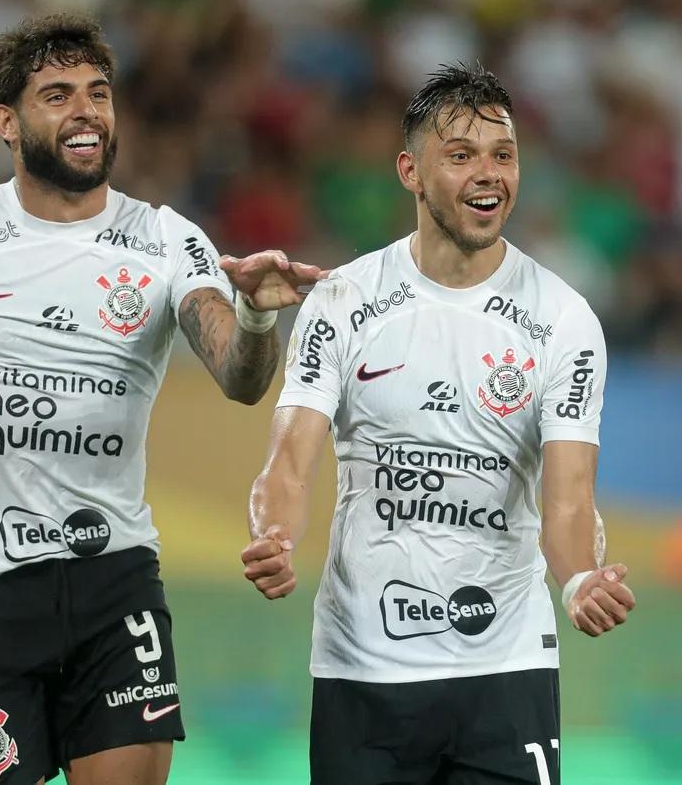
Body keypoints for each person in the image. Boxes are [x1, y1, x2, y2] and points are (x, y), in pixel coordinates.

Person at [0, 14, 327, 785]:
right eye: (58, 94)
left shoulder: (167, 240)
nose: (86, 111)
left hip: (115, 579)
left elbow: (241, 380)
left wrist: (255, 314)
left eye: (99, 93)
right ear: (6, 121)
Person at [241, 64, 637, 785]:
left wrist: (579, 577)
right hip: (363, 666)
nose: (489, 175)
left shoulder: (563, 320)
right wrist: (273, 535)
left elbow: (570, 497)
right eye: (461, 156)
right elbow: (289, 463)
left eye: (503, 154)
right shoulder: (342, 301)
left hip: (505, 666)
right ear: (411, 171)